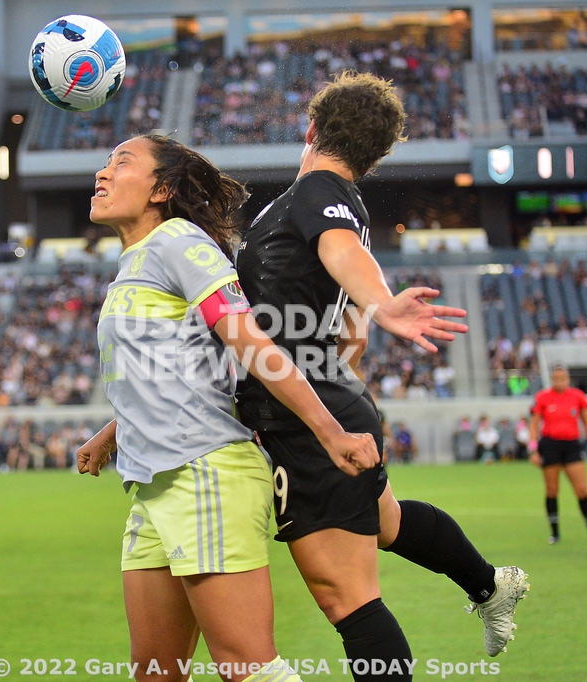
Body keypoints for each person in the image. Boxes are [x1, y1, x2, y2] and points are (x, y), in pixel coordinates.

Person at [235, 72, 528, 679]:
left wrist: (381, 300)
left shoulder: (318, 191)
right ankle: (489, 584)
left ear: (311, 129)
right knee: (389, 524)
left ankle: (488, 586)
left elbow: (344, 254)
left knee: (346, 596)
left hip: (309, 410)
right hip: (326, 392)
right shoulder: (337, 202)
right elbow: (345, 315)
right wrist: (360, 319)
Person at [75, 134, 380, 682]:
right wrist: (112, 433)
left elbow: (252, 345)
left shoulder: (180, 243)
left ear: (162, 190)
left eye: (121, 163)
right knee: (154, 674)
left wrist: (330, 431)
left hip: (205, 475)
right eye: (104, 163)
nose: (102, 174)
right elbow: (178, 374)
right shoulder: (134, 264)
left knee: (247, 669)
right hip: (153, 484)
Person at [528, 364, 587, 544]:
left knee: (582, 489)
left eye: (562, 378)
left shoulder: (577, 396)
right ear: (552, 379)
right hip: (550, 445)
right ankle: (555, 534)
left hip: (572, 446)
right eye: (556, 378)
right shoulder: (543, 398)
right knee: (552, 490)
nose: (559, 382)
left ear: (568, 379)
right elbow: (534, 425)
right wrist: (533, 449)